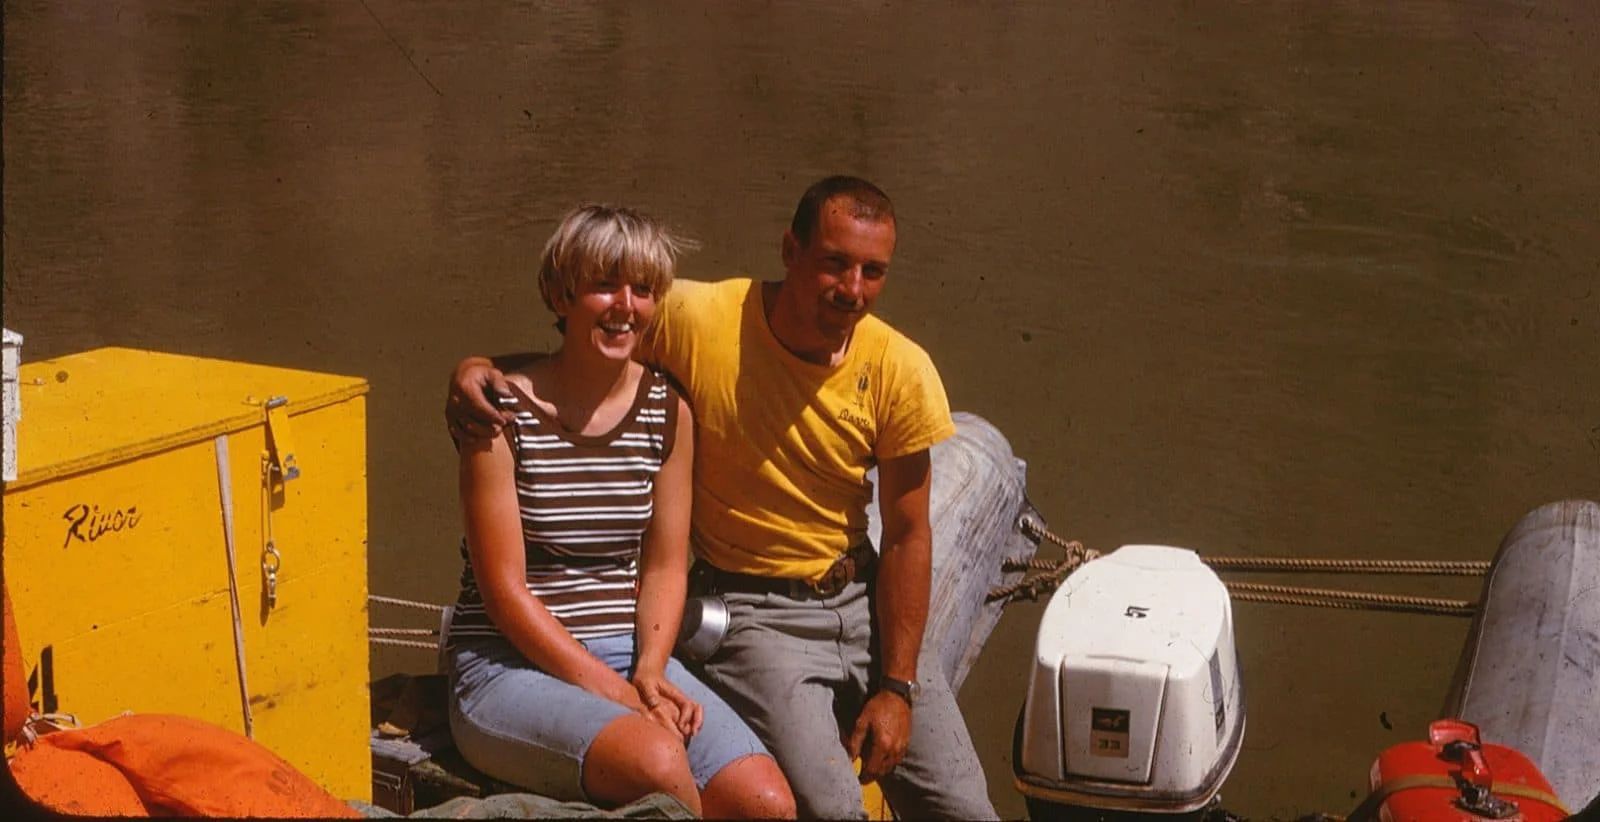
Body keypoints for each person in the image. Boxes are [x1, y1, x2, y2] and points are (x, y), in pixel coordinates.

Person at [448, 178, 996, 820]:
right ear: (790, 250)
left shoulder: (897, 369)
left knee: (960, 810)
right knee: (823, 806)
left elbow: (906, 534)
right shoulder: (697, 320)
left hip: (855, 599)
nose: (852, 289)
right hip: (754, 614)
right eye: (833, 263)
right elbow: (580, 353)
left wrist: (897, 687)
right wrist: (473, 369)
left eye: (872, 271)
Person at [443, 204, 794, 819]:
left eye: (643, 289)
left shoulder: (667, 413)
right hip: (506, 666)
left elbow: (663, 568)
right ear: (561, 295)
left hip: (628, 655)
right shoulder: (497, 411)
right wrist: (623, 698)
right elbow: (504, 592)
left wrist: (652, 674)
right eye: (604, 285)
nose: (625, 306)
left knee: (765, 803)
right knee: (658, 765)